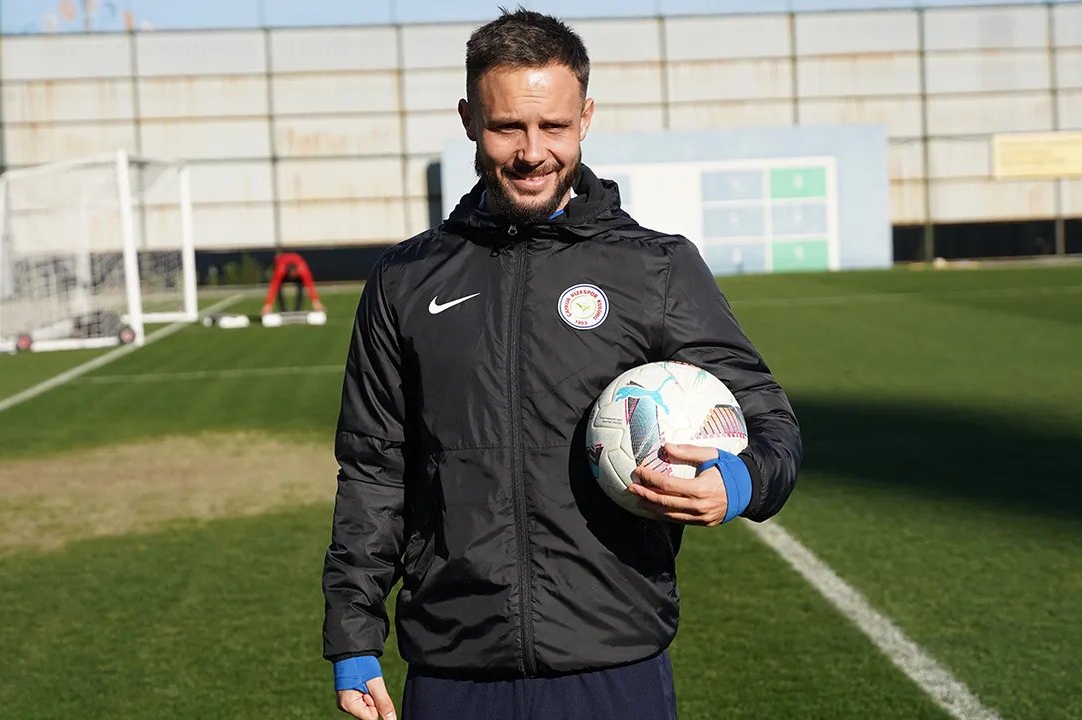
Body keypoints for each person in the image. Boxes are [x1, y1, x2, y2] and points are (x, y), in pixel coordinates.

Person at [322, 9, 802, 720]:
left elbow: (770, 422)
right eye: (507, 127)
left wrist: (738, 481)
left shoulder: (656, 268)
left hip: (614, 658)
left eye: (554, 126)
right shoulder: (406, 280)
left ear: (586, 117)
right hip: (454, 665)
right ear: (468, 120)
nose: (532, 152)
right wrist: (354, 638)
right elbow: (373, 470)